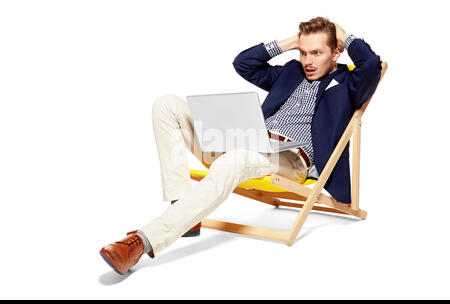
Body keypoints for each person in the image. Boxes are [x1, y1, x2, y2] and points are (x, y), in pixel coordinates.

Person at [99, 17, 382, 275]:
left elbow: (372, 66)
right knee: (167, 105)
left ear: (336, 52)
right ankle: (183, 208)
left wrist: (345, 35)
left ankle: (142, 241)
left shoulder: (348, 82)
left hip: (288, 159)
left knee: (232, 161)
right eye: (303, 52)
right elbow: (243, 63)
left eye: (317, 53)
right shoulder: (292, 72)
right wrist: (291, 43)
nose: (307, 60)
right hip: (246, 141)